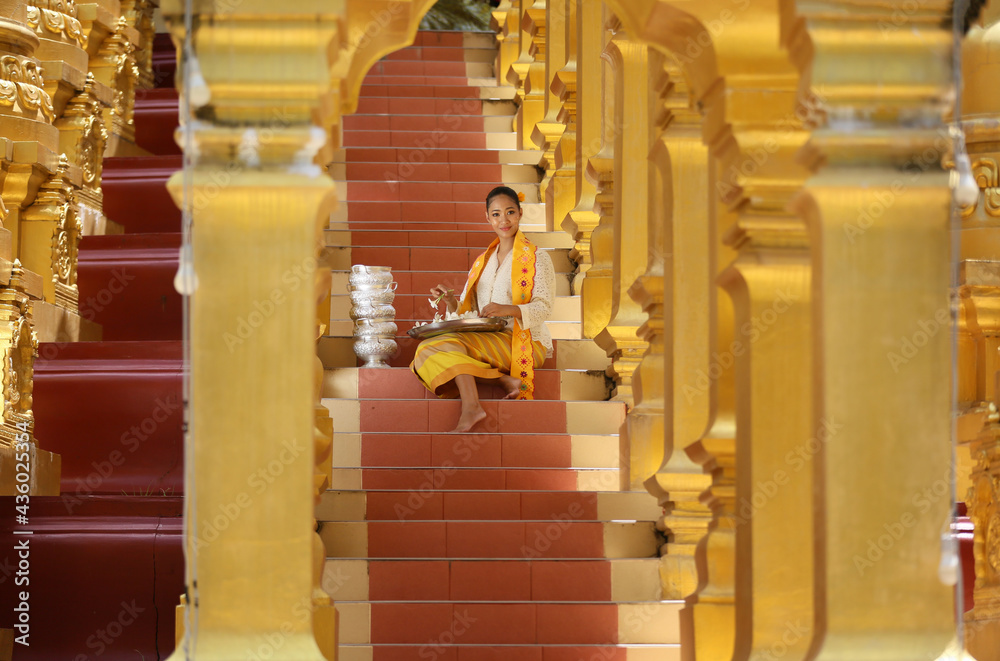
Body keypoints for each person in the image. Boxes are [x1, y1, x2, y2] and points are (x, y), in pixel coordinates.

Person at [410, 185, 556, 432]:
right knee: (425, 349)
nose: (504, 220)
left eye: (510, 212)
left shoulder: (537, 258)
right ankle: (502, 381)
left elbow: (544, 308)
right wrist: (450, 301)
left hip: (525, 341)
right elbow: (472, 312)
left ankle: (471, 406)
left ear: (520, 213)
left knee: (439, 347)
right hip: (489, 339)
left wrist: (508, 309)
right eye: (496, 214)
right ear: (487, 218)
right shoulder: (483, 261)